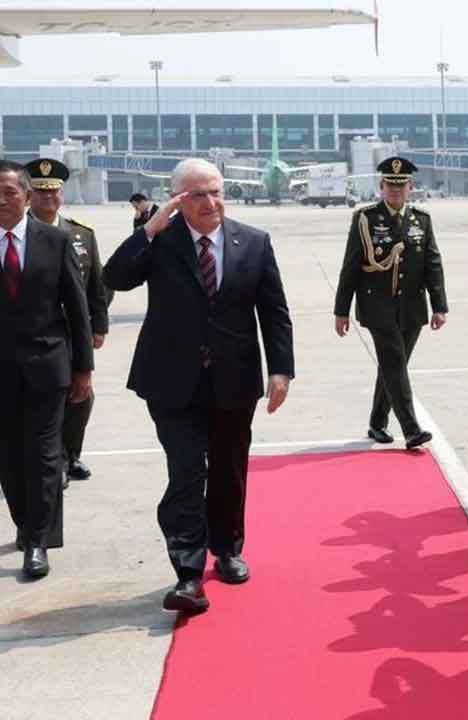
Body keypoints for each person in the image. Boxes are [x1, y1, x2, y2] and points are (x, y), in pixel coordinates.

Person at [103, 158, 295, 613]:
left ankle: (227, 548)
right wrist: (149, 229)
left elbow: (274, 311)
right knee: (186, 473)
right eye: (197, 195)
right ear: (177, 199)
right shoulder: (161, 242)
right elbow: (114, 278)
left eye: (215, 192)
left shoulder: (252, 241)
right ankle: (188, 574)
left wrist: (281, 370)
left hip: (234, 376)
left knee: (229, 467)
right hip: (171, 379)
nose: (210, 203)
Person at [0, 159, 93, 579]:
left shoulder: (56, 241)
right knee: (9, 457)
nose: (2, 200)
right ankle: (25, 524)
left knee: (43, 454)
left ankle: (39, 541)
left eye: (9, 192)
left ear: (27, 196)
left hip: (47, 366)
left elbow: (78, 308)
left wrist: (83, 369)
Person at [334, 156, 447, 449]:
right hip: (377, 305)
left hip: (412, 306)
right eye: (390, 186)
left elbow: (432, 263)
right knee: (395, 361)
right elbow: (351, 265)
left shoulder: (421, 219)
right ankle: (411, 428)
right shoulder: (366, 218)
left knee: (394, 365)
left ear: (410, 187)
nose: (396, 191)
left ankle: (376, 422)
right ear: (381, 187)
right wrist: (341, 310)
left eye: (402, 186)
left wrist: (439, 305)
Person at [26, 158, 110, 485]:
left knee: (81, 396)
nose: (48, 198)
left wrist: (99, 325)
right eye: (40, 193)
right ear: (29, 195)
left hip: (74, 332)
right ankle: (50, 459)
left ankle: (70, 454)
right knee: (42, 398)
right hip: (36, 333)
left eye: (54, 192)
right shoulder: (18, 233)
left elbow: (96, 285)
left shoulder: (80, 234)